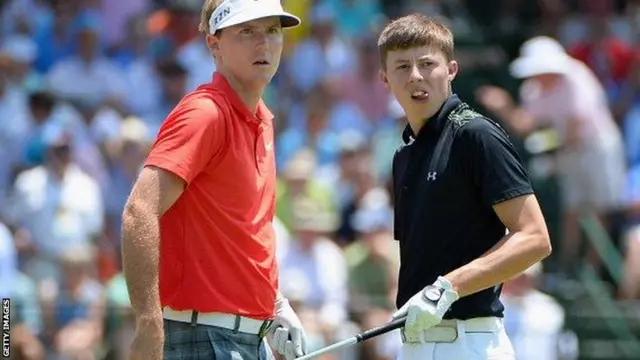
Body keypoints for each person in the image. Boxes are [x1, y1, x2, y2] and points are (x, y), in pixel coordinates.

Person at [120, 1, 307, 360]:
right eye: (246, 32)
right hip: (200, 338)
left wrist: (276, 303)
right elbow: (139, 212)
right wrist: (148, 322)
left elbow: (241, 233)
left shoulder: (263, 119)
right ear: (214, 44)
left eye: (271, 30)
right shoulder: (205, 113)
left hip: (246, 338)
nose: (263, 44)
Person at [376, 14, 552, 359]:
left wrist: (448, 287)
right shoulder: (403, 155)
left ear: (452, 70)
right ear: (385, 79)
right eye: (402, 67)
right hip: (414, 345)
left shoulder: (476, 135)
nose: (415, 76)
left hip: (469, 343)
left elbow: (535, 238)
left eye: (427, 63)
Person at [476, 36, 626, 276]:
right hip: (568, 151)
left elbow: (575, 129)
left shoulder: (576, 77)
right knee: (572, 210)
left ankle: (590, 271)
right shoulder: (532, 89)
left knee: (597, 211)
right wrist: (503, 106)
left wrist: (551, 155)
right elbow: (526, 126)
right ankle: (567, 269)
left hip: (596, 147)